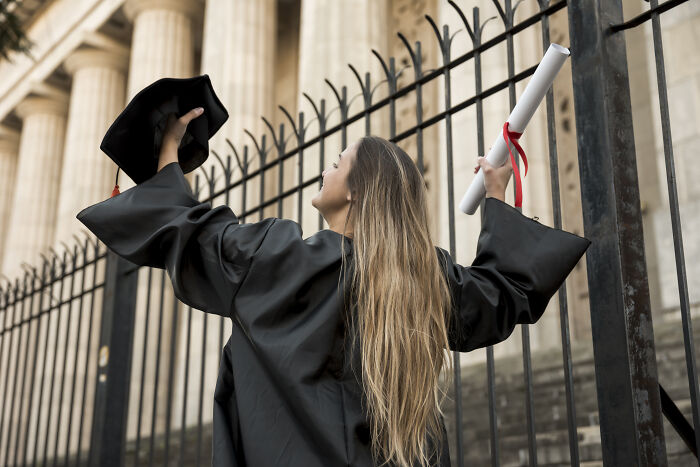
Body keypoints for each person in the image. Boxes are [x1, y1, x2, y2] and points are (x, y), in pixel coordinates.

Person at [77, 108, 589, 466]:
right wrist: (497, 201)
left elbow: (191, 234)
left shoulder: (284, 259)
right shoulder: (427, 282)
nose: (326, 168)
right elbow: (506, 291)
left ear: (359, 189)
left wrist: (169, 154)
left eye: (338, 162)